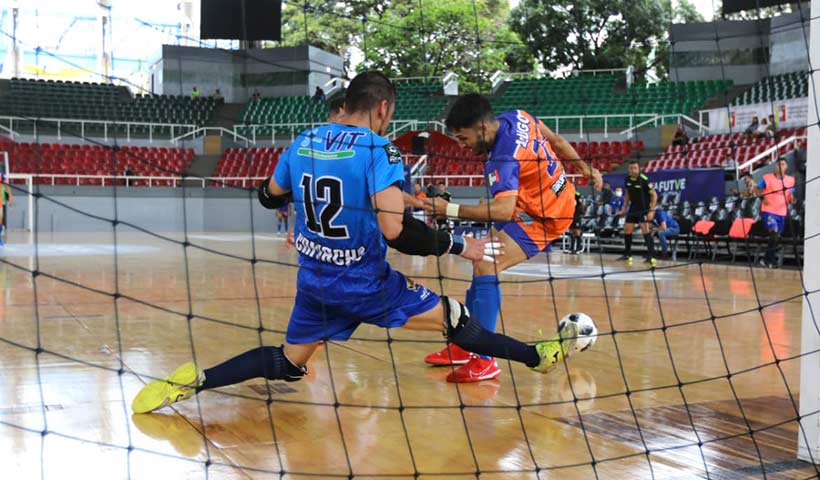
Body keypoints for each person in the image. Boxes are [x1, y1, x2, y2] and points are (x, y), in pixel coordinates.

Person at [131, 72, 590, 414]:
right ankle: (537, 357)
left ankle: (194, 381)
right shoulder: (380, 150)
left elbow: (269, 197)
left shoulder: (304, 141)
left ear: (345, 103)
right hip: (367, 284)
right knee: (456, 316)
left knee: (289, 363)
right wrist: (457, 245)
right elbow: (397, 232)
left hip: (315, 284)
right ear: (384, 109)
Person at [421, 93, 602, 383]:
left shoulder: (502, 158)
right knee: (481, 257)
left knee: (485, 264)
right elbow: (556, 140)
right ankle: (464, 345)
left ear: (481, 128)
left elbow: (503, 211)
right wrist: (584, 166)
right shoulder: (518, 117)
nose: (461, 146)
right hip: (542, 200)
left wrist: (449, 209)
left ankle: (484, 359)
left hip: (548, 215)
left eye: (463, 138)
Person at [753, 157, 795, 268]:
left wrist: (792, 199)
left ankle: (766, 259)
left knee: (776, 237)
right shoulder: (767, 178)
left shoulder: (790, 180)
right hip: (768, 210)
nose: (780, 166)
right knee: (774, 232)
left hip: (781, 211)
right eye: (778, 164)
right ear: (775, 166)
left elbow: (791, 195)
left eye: (782, 164)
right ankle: (770, 260)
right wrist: (762, 198)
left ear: (786, 166)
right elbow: (757, 189)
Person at [617, 160, 658, 265]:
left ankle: (651, 256)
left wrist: (652, 211)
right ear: (628, 169)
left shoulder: (644, 179)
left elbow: (654, 195)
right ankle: (628, 254)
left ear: (639, 168)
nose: (633, 170)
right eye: (631, 168)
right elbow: (627, 194)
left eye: (635, 168)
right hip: (633, 208)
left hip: (644, 209)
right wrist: (624, 207)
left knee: (645, 230)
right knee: (627, 229)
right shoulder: (627, 179)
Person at [0, 172, 13, 246]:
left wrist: (10, 195)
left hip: (0, 201)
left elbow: (6, 185)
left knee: (0, 219)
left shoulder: (1, 175)